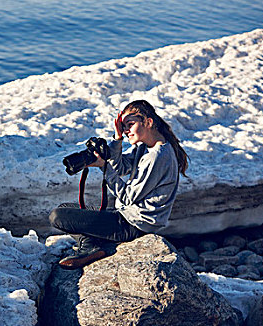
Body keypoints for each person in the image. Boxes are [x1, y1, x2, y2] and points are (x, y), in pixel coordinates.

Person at [49, 100, 189, 270]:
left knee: (58, 216)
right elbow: (121, 167)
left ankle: (91, 247)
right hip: (127, 216)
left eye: (130, 124)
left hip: (135, 224)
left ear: (149, 122)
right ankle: (92, 245)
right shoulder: (145, 148)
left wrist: (104, 167)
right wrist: (117, 139)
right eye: (123, 126)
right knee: (66, 207)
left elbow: (128, 198)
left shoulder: (157, 157)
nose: (126, 130)